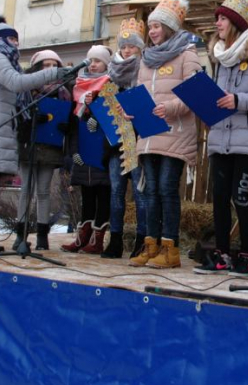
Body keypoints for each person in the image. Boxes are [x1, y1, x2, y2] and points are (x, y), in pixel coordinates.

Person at [0, 14, 67, 252]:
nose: (16, 45)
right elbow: (16, 82)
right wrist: (53, 74)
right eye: (11, 39)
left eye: (17, 40)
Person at [193, 0, 248, 277]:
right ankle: (220, 253)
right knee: (218, 196)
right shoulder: (221, 58)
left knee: (240, 196)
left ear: (236, 24)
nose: (217, 23)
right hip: (222, 136)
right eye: (217, 18)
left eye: (222, 19)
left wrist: (238, 100)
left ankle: (246, 255)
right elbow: (220, 97)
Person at [128, 0, 202, 269]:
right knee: (149, 192)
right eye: (151, 26)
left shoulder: (187, 54)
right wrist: (133, 110)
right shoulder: (146, 59)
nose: (153, 31)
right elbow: (142, 93)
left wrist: (171, 107)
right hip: (149, 133)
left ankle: (171, 250)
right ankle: (152, 245)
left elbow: (196, 95)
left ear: (170, 28)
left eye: (158, 25)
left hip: (175, 131)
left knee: (166, 188)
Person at [13, 50, 72, 251]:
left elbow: (71, 117)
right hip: (29, 146)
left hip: (50, 147)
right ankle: (20, 235)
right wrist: (29, 123)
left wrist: (65, 125)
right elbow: (16, 117)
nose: (50, 69)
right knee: (26, 191)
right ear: (37, 68)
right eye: (45, 65)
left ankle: (42, 237)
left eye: (53, 65)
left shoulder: (63, 91)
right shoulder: (27, 88)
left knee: (44, 191)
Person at [101, 18, 148, 259]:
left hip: (138, 139)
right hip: (116, 142)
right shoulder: (111, 75)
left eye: (132, 46)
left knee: (140, 193)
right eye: (124, 46)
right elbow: (105, 106)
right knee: (116, 192)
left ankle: (142, 240)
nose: (127, 50)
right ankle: (115, 240)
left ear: (140, 49)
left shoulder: (145, 71)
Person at [60, 45, 113, 254]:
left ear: (106, 64)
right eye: (90, 60)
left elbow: (114, 119)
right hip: (83, 153)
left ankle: (97, 240)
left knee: (103, 197)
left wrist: (98, 119)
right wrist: (74, 152)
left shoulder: (110, 85)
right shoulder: (78, 86)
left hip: (101, 153)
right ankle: (82, 238)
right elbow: (74, 126)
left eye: (98, 61)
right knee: (87, 199)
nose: (93, 64)